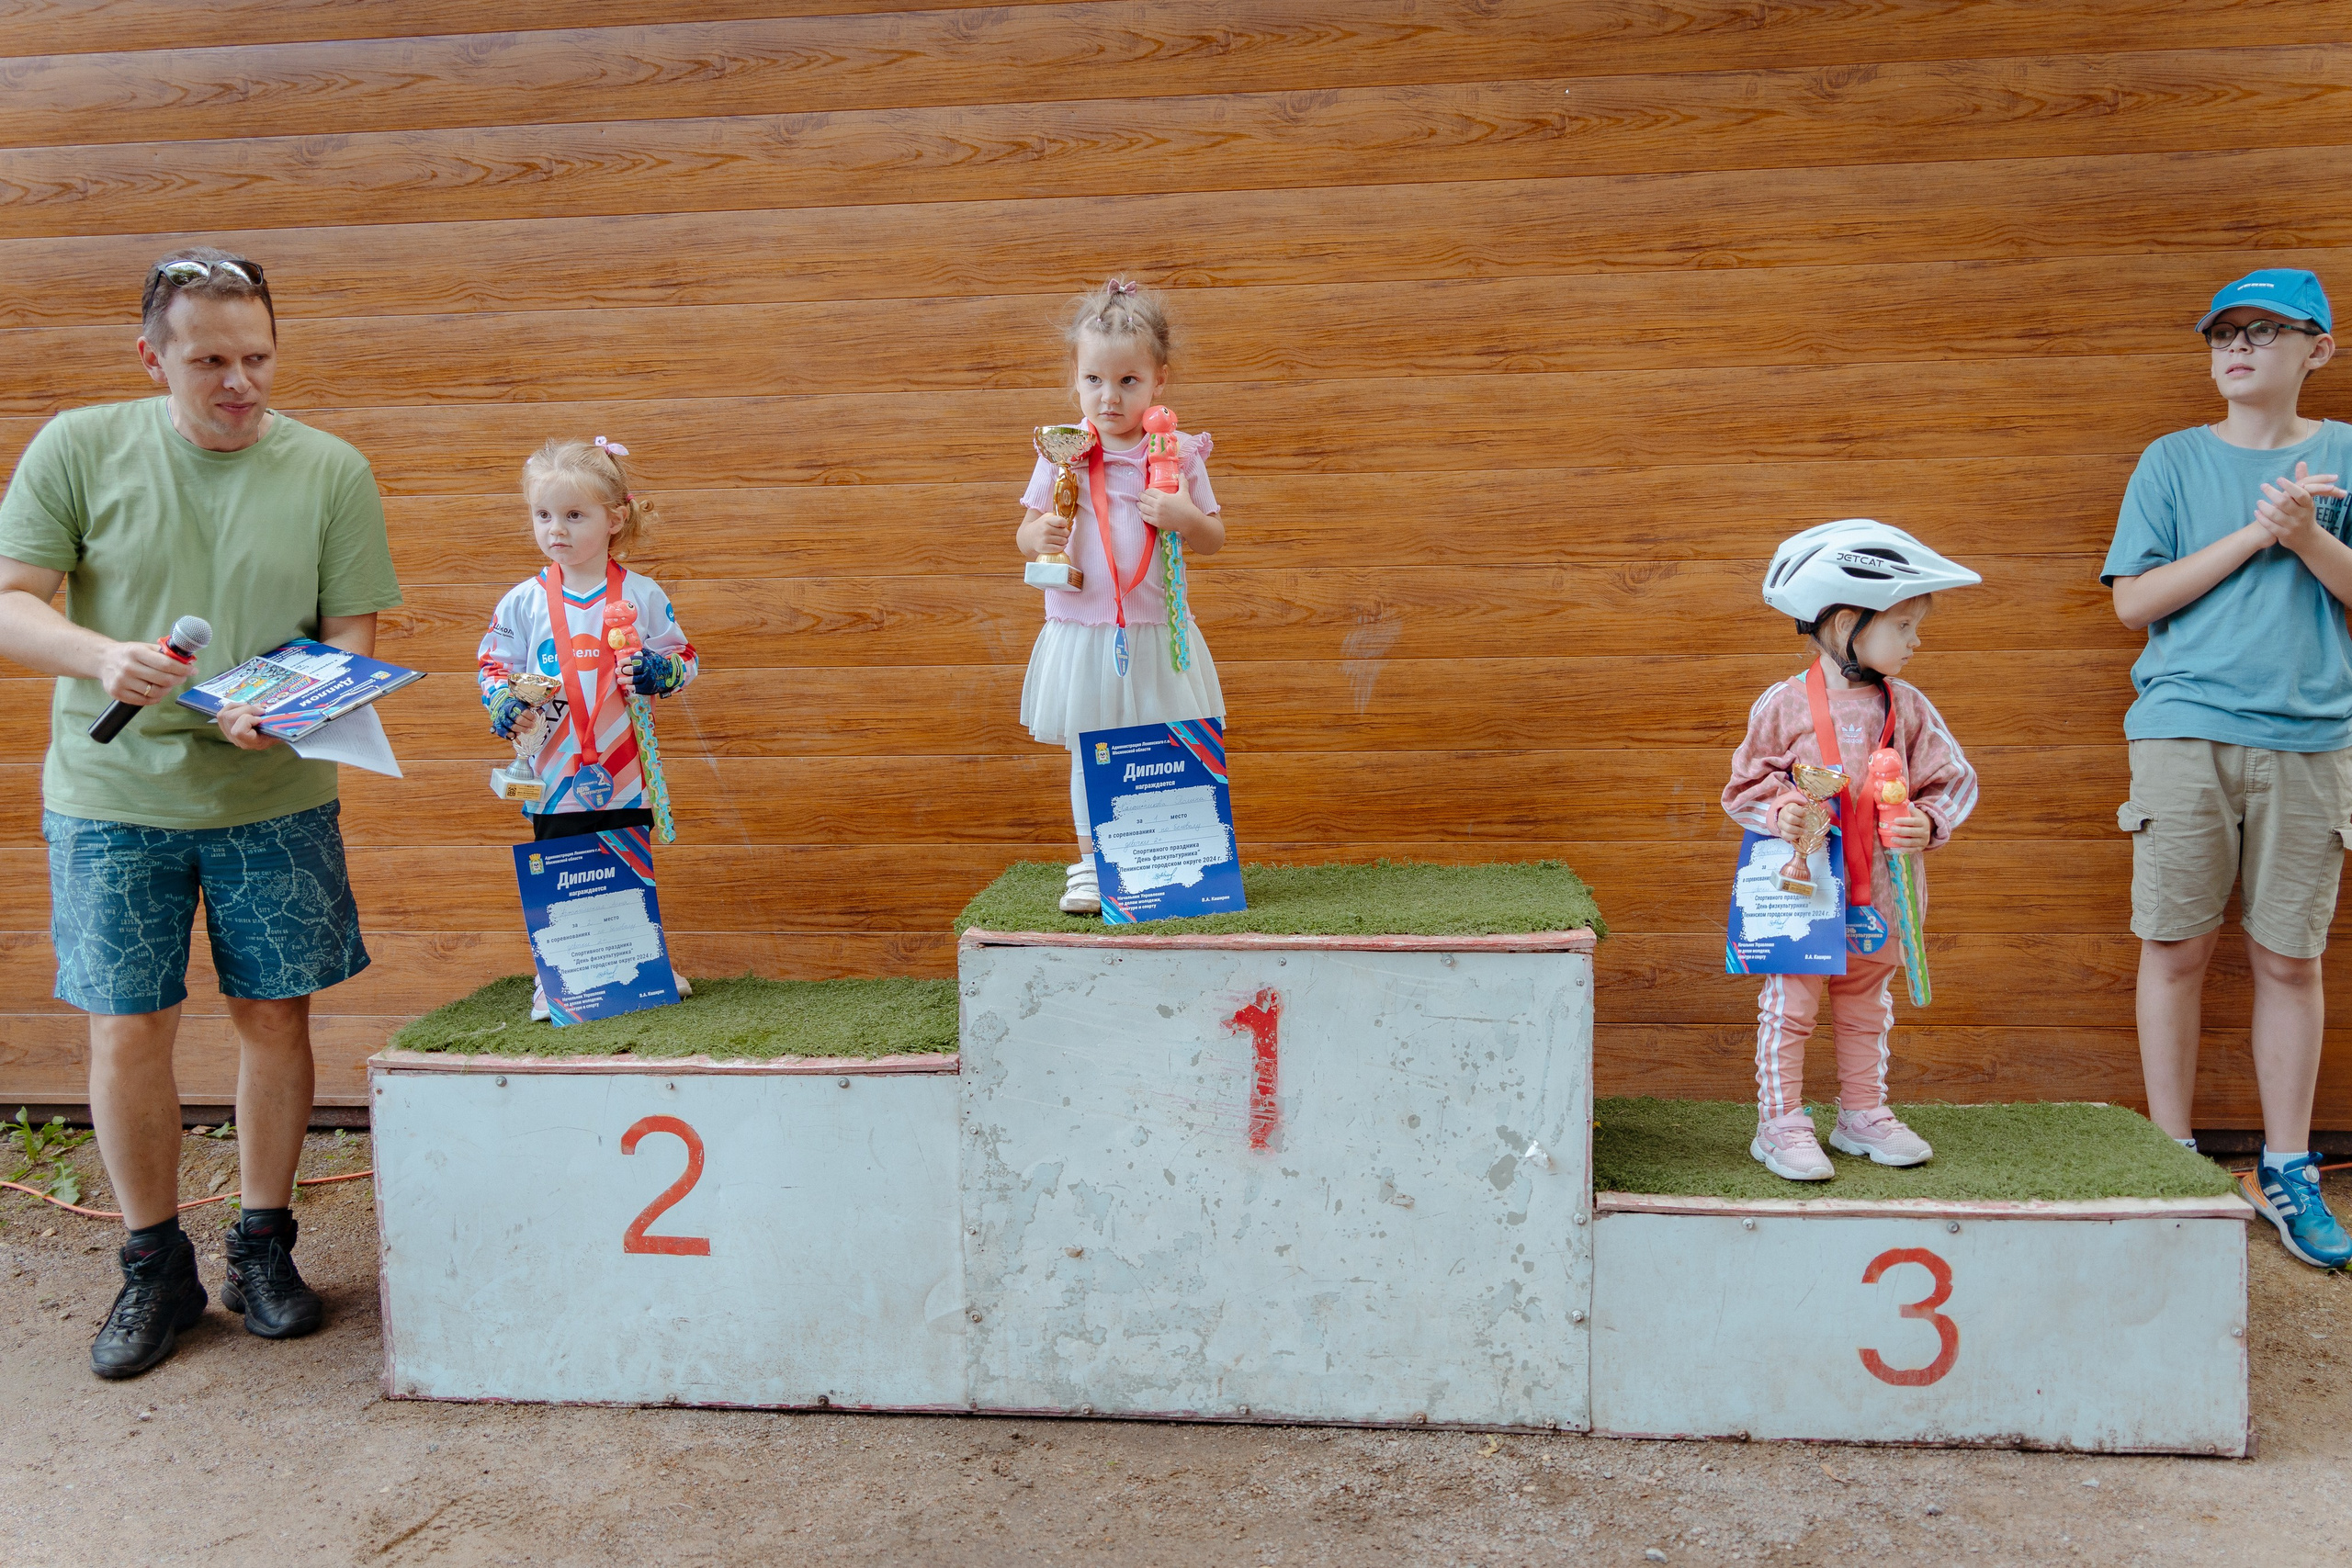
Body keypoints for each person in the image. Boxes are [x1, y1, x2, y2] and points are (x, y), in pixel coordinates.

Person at [0, 247, 402, 1377]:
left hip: (271, 791)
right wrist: (101, 655)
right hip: (111, 795)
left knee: (277, 1016)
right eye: (211, 360)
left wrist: (293, 707)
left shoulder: (331, 469)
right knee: (128, 1026)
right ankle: (153, 1267)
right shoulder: (79, 446)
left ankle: (264, 1248)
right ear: (152, 358)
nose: (241, 383)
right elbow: (9, 605)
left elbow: (353, 637)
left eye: (259, 357)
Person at [2103, 266, 2352, 1269]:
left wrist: (2308, 540)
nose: (2236, 347)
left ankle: (2286, 1168)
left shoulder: (2344, 456)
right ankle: (2170, 1154)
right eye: (2219, 334)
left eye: (2261, 330)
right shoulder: (2168, 461)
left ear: (2317, 350)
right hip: (2180, 733)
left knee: (2289, 957)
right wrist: (2260, 531)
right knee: (2173, 946)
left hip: (2313, 740)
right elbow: (2133, 603)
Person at [1724, 521, 1982, 1180]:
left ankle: (1861, 1113)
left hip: (1885, 899)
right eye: (1904, 624)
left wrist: (1926, 820)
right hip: (1803, 896)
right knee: (1793, 1005)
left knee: (1867, 1004)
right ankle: (1780, 1123)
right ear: (1845, 623)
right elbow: (1742, 785)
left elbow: (1955, 781)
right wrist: (1781, 809)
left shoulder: (1912, 708)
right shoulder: (1783, 706)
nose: (1916, 640)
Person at [1014, 279, 1228, 913]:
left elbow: (1212, 537)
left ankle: (1171, 858)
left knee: (1164, 743)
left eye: (1128, 381)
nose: (1109, 397)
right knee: (1092, 748)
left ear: (1159, 379)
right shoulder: (1064, 451)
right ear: (1076, 379)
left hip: (1157, 630)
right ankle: (1089, 863)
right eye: (1094, 381)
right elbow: (1024, 532)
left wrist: (1182, 514)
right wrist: (1041, 533)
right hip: (1083, 631)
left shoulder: (1179, 454)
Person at [476, 436, 698, 1019]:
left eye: (575, 515)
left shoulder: (644, 595)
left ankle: (641, 967)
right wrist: (501, 703)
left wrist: (657, 670)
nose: (557, 529)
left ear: (615, 518)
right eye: (543, 515)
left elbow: (685, 658)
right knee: (561, 870)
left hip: (625, 766)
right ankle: (559, 977)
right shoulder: (523, 601)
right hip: (551, 768)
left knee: (627, 862)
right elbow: (493, 665)